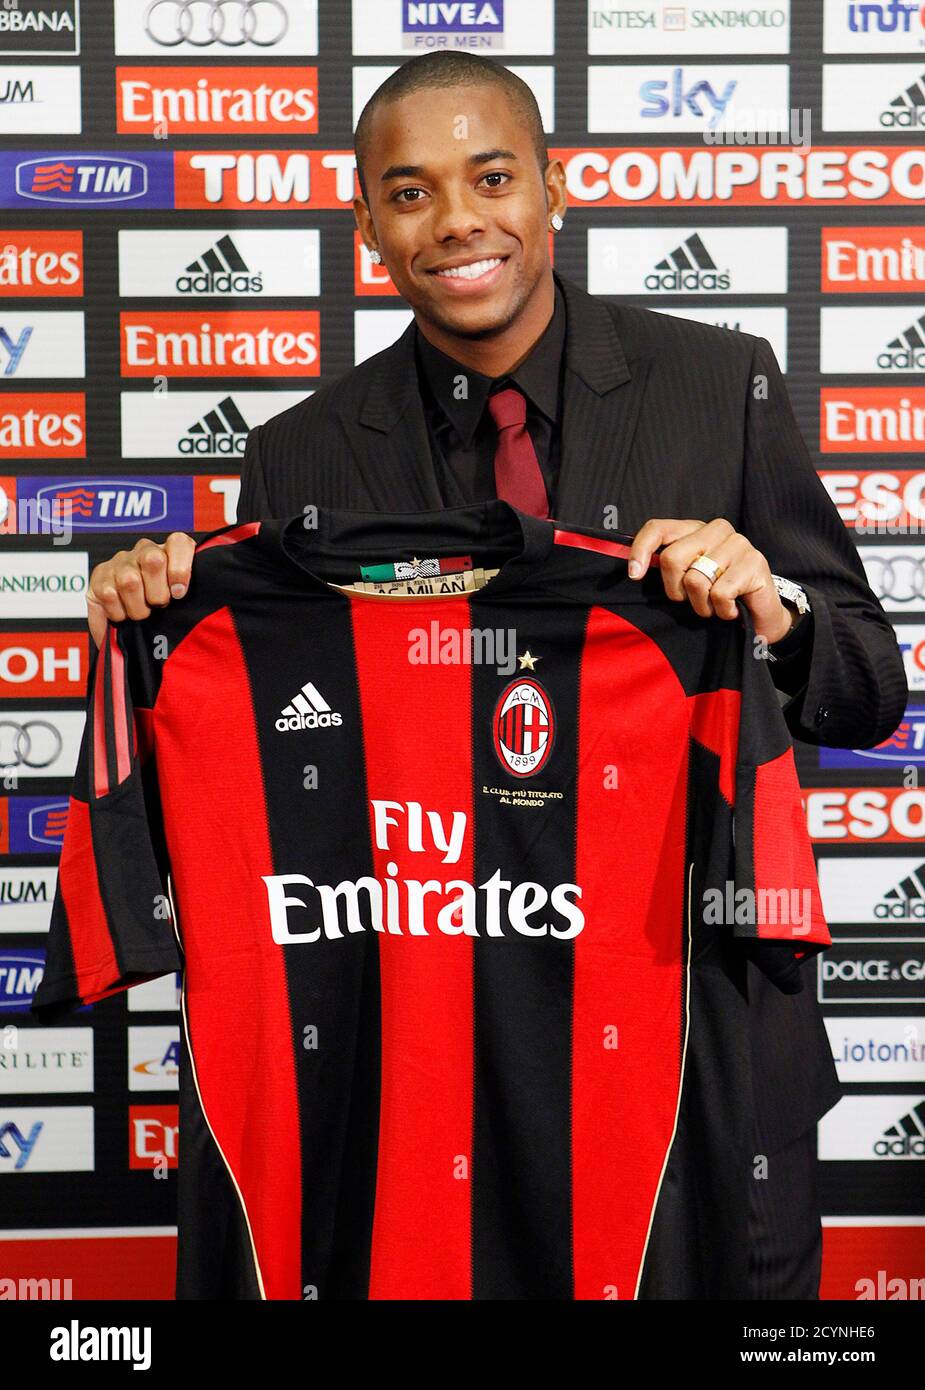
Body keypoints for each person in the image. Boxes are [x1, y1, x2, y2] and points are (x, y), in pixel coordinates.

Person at [85, 50, 907, 1298]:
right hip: (431, 1074)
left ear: (553, 189)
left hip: (702, 1052)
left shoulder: (714, 383)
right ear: (364, 223)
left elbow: (868, 688)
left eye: (490, 177)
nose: (458, 221)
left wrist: (772, 608)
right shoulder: (298, 456)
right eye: (408, 193)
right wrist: (150, 609)